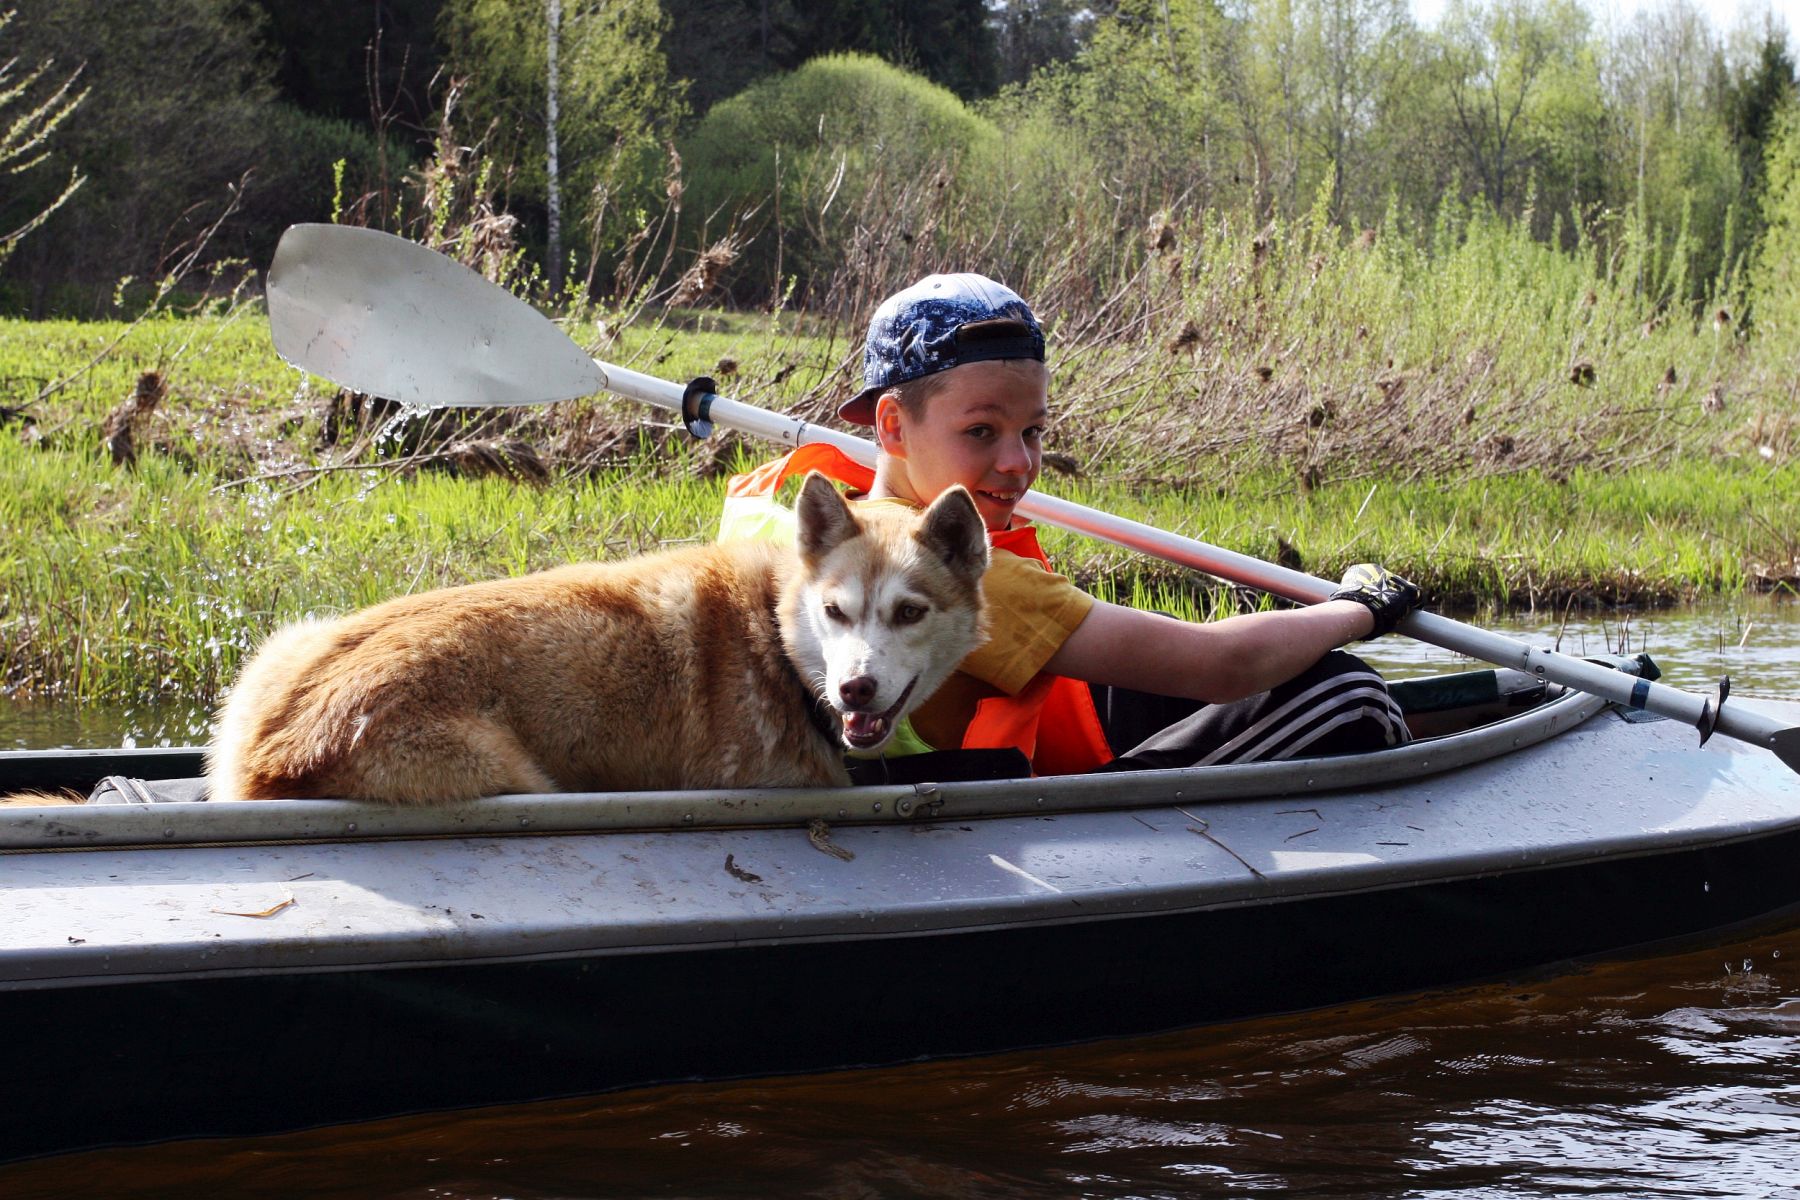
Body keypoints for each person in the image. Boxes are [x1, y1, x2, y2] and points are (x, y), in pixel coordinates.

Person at [723, 272, 1421, 781]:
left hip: (931, 757)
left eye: (1031, 431)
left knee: (1141, 681)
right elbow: (1220, 665)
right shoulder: (930, 567)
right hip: (988, 826)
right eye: (981, 431)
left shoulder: (827, 529)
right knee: (1345, 693)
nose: (1017, 463)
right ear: (892, 425)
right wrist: (1355, 608)